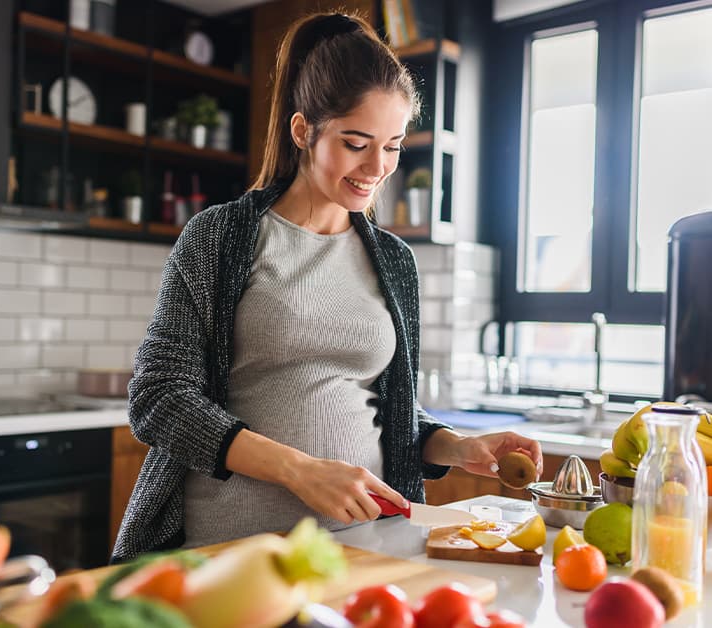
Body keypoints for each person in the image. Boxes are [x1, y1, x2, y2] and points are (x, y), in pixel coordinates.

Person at [112, 11, 542, 562]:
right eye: (356, 142)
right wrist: (300, 471)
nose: (377, 167)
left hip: (363, 549)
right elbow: (159, 398)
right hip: (230, 552)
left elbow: (389, 410)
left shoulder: (393, 261)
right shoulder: (220, 237)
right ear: (302, 131)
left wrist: (456, 446)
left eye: (392, 145)